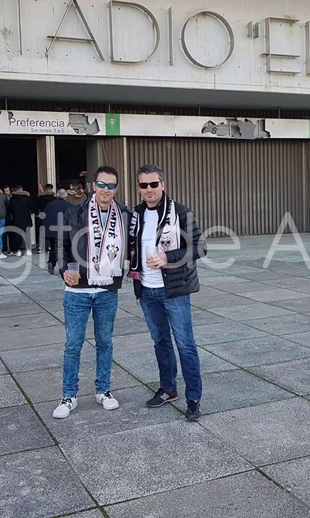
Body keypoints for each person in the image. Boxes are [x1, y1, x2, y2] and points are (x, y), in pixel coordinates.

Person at [128, 163, 207, 422]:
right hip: (146, 290)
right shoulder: (136, 215)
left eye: (154, 184)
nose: (149, 189)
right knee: (160, 341)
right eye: (144, 185)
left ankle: (193, 398)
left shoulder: (180, 212)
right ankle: (168, 389)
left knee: (185, 344)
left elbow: (200, 247)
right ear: (138, 187)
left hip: (174, 289)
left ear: (162, 184)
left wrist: (167, 257)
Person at [53, 166, 130, 420]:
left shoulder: (124, 215)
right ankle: (69, 395)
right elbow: (61, 244)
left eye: (111, 186)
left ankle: (103, 390)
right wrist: (63, 268)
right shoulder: (74, 212)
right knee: (72, 345)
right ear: (93, 186)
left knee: (105, 343)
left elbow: (134, 245)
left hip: (107, 290)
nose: (106, 190)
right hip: (77, 290)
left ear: (116, 188)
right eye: (102, 184)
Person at [43, 188, 71, 274]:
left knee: (53, 247)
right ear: (65, 196)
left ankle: (51, 262)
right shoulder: (68, 206)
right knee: (64, 249)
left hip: (50, 230)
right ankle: (64, 265)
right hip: (62, 230)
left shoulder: (49, 204)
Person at [8, 185, 36, 256]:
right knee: (27, 234)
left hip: (16, 218)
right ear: (22, 189)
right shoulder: (27, 198)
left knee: (17, 235)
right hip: (26, 218)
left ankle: (18, 250)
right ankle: (28, 250)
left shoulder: (12, 199)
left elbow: (10, 209)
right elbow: (32, 207)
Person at [36, 183, 57, 253]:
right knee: (51, 231)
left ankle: (40, 247)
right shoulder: (54, 198)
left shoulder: (40, 198)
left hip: (43, 215)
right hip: (52, 215)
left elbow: (37, 207)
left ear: (45, 189)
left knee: (42, 231)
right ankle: (50, 246)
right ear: (51, 189)